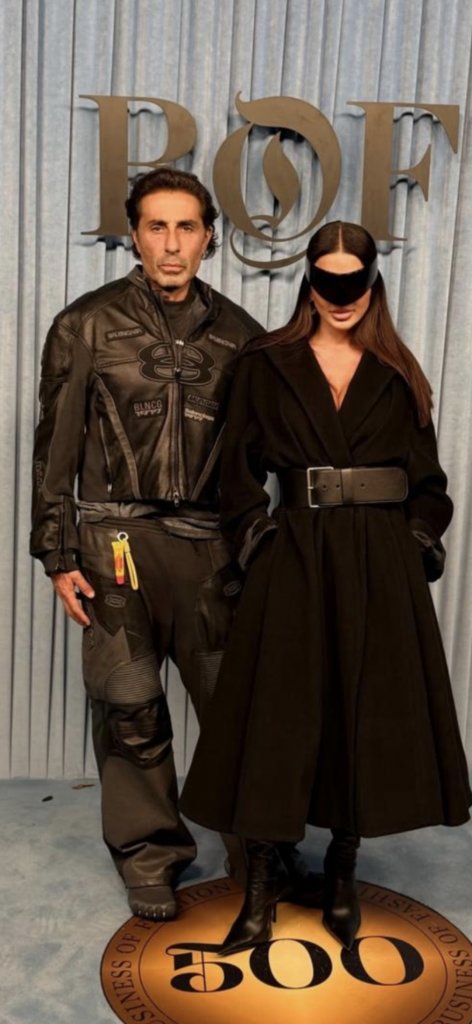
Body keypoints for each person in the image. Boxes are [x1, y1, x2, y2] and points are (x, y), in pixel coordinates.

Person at [180, 220, 472, 954]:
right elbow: (235, 477)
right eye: (327, 281)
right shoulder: (266, 364)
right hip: (296, 559)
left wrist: (414, 543)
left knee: (359, 714)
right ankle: (260, 889)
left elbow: (429, 485)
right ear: (308, 281)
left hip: (379, 562)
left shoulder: (398, 372)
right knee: (275, 719)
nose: (341, 297)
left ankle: (342, 875)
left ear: (373, 283)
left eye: (355, 282)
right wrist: (259, 541)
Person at [30, 167, 268, 921]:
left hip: (210, 552)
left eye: (186, 227)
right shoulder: (86, 325)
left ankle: (258, 851)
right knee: (128, 707)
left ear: (208, 238)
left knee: (237, 710)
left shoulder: (243, 338)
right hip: (114, 546)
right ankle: (150, 858)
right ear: (134, 235)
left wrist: (264, 549)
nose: (171, 244)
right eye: (156, 226)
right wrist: (58, 555)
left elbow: (257, 459)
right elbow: (55, 448)